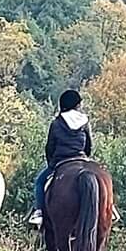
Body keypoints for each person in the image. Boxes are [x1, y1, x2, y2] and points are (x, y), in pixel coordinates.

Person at [28, 90, 92, 227]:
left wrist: (51, 164)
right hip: (81, 158)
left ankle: (39, 212)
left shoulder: (56, 123)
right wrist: (84, 157)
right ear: (77, 105)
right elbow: (88, 146)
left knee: (40, 182)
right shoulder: (85, 122)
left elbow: (50, 147)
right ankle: (110, 208)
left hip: (61, 160)